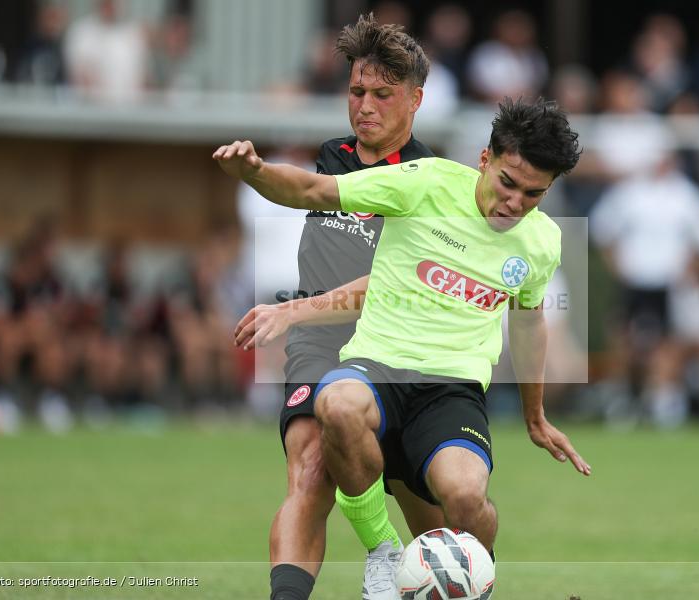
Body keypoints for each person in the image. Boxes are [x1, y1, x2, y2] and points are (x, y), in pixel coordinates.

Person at [215, 97, 592, 593]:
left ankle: (474, 581)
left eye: (533, 194)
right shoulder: (426, 181)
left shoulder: (542, 242)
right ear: (485, 159)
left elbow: (528, 322)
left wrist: (535, 416)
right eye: (508, 182)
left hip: (451, 390)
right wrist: (256, 172)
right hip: (377, 367)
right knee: (337, 404)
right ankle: (383, 550)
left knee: (466, 499)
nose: (515, 203)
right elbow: (314, 189)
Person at [235, 14, 444, 600]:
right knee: (309, 470)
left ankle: (428, 566)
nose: (365, 106)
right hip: (322, 344)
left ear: (416, 100)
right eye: (357, 92)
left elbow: (391, 283)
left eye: (383, 94)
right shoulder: (334, 157)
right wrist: (253, 171)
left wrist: (292, 311)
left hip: (399, 349)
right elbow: (296, 186)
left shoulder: (430, 180)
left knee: (431, 516)